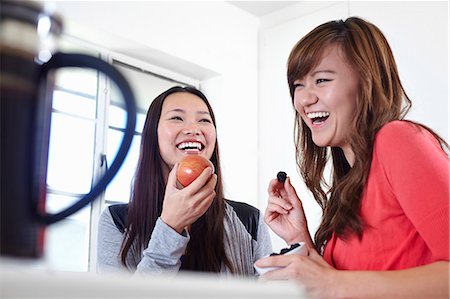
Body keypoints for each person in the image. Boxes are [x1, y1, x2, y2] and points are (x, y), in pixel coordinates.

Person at [255, 17, 449, 298]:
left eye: (321, 80)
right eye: (298, 85)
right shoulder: (350, 184)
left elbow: (337, 286)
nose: (304, 99)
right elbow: (342, 287)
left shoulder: (398, 140)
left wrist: (332, 284)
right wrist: (300, 239)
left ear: (367, 82)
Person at [97, 86, 272, 276]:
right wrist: (170, 226)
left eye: (204, 120)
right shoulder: (116, 221)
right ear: (152, 134)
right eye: (177, 118)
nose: (193, 129)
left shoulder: (250, 220)